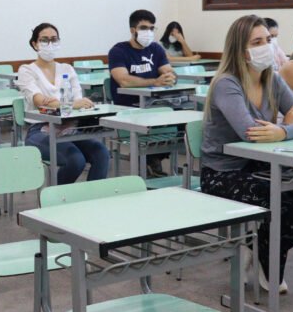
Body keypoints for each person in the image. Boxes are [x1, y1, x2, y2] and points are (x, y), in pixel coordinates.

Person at [200, 15, 293, 293]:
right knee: (282, 205)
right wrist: (287, 125)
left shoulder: (273, 79)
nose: (267, 46)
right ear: (240, 50)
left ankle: (256, 249)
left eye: (269, 40)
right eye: (257, 42)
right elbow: (250, 132)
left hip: (261, 167)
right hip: (223, 173)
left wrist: (281, 132)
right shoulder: (227, 83)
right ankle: (269, 265)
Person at [16, 23, 110, 184]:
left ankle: (93, 196)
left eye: (54, 39)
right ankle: (58, 198)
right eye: (44, 40)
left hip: (70, 128)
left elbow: (79, 102)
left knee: (101, 153)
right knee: (75, 159)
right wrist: (69, 104)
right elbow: (40, 102)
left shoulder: (67, 69)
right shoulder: (26, 70)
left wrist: (57, 103)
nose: (50, 44)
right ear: (35, 44)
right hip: (40, 130)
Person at [109, 10, 179, 177]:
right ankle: (149, 159)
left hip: (154, 104)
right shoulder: (118, 51)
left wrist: (170, 77)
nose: (148, 32)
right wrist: (154, 81)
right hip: (128, 107)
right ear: (133, 30)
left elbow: (169, 72)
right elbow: (123, 80)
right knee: (157, 120)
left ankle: (152, 158)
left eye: (152, 28)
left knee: (180, 121)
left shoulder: (156, 49)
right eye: (144, 28)